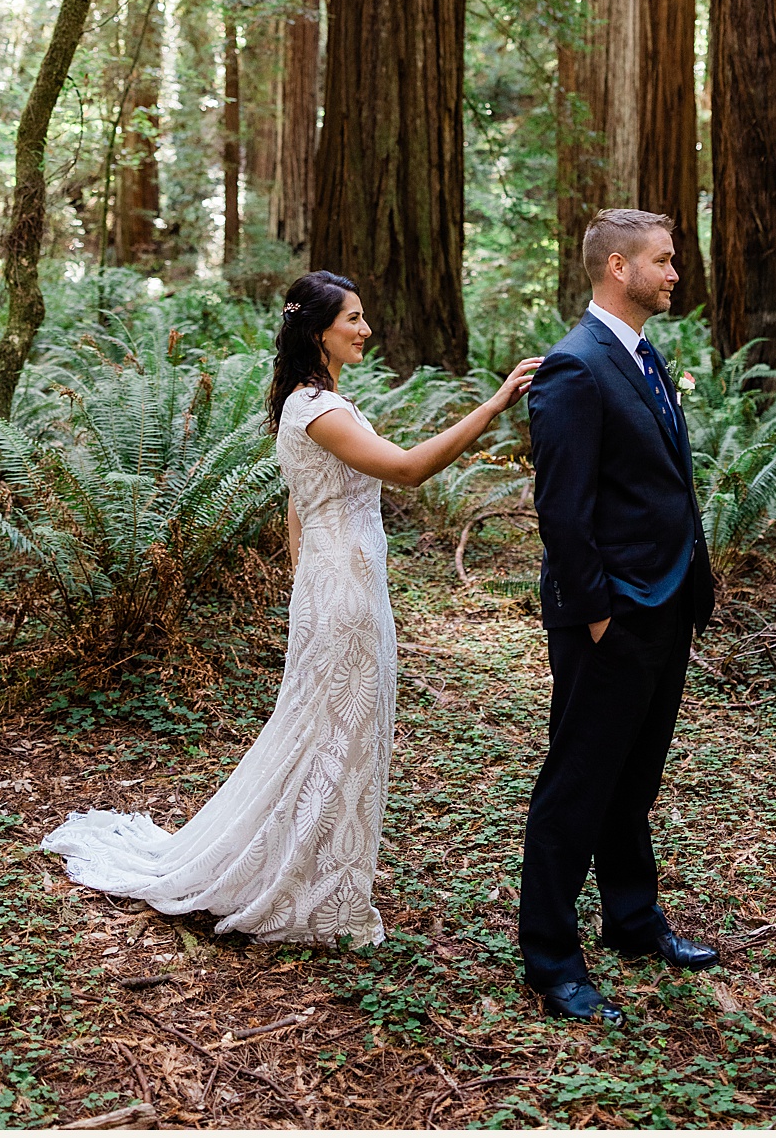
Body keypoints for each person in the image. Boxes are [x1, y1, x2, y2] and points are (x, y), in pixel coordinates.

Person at [42, 272, 541, 945]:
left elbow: (297, 507)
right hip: (344, 591)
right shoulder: (319, 408)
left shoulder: (314, 401)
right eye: (354, 318)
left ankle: (323, 863)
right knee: (335, 738)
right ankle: (310, 878)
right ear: (318, 331)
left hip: (339, 585)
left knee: (330, 733)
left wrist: (307, 583)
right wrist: (496, 403)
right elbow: (407, 469)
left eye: (364, 316)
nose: (366, 329)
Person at [516, 208, 720, 1025]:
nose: (675, 273)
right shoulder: (574, 367)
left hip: (666, 601)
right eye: (663, 262)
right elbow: (562, 510)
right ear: (616, 267)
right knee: (578, 784)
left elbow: (662, 480)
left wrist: (687, 582)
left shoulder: (641, 352)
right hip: (610, 615)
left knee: (635, 778)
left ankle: (633, 919)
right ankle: (551, 958)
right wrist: (599, 615)